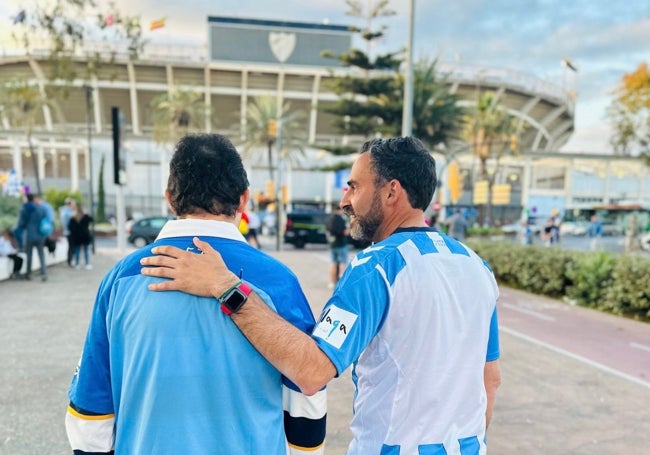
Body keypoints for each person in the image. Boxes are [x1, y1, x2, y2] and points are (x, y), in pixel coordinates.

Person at [141, 136, 501, 455]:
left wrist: (226, 287)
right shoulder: (477, 267)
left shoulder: (377, 269)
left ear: (392, 192)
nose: (344, 200)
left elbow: (311, 373)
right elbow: (490, 379)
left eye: (354, 187)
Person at [65, 134, 326, 454]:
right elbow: (306, 408)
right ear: (244, 200)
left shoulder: (121, 279)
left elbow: (90, 415)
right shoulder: (279, 282)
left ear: (170, 199)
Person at [17, 193, 48, 281]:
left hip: (29, 235)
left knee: (29, 255)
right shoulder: (40, 208)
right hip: (40, 234)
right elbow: (45, 220)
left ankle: (29, 273)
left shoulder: (24, 209)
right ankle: (43, 272)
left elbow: (21, 223)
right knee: (41, 254)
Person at [325, 206, 349, 289]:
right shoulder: (341, 220)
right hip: (341, 244)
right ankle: (341, 283)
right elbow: (345, 232)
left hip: (332, 244)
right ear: (340, 210)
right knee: (343, 263)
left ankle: (332, 282)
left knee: (333, 263)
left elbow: (327, 231)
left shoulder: (329, 219)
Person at [68, 205, 93, 270]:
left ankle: (77, 264)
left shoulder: (72, 218)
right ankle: (87, 264)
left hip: (77, 237)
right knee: (86, 251)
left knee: (77, 251)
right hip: (85, 236)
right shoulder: (85, 216)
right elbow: (92, 220)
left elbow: (70, 228)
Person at [59, 197, 76, 266]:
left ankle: (70, 260)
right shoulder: (68, 212)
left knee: (71, 246)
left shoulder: (64, 211)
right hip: (70, 232)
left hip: (68, 231)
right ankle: (70, 261)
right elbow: (66, 223)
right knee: (72, 246)